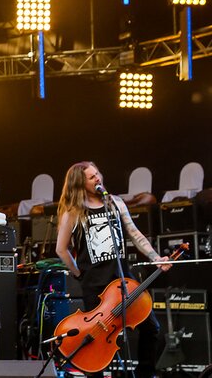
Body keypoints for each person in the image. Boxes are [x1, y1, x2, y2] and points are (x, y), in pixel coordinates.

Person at [55, 162, 170, 378]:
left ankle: (144, 374)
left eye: (97, 173)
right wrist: (79, 274)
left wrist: (155, 257)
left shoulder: (115, 203)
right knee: (96, 342)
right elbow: (61, 249)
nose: (97, 178)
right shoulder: (73, 212)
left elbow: (134, 233)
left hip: (123, 281)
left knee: (151, 328)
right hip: (96, 286)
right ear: (80, 183)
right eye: (91, 177)